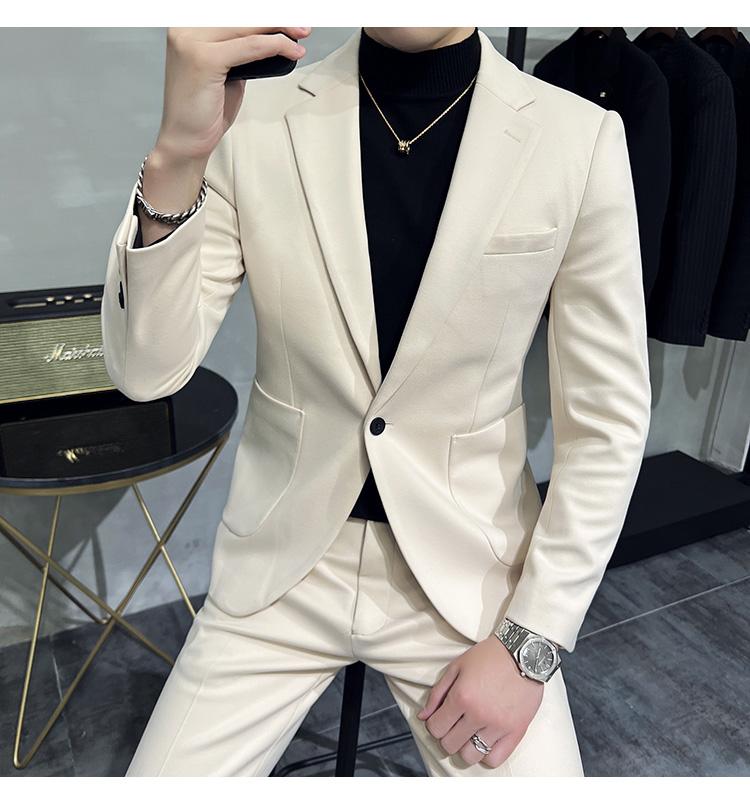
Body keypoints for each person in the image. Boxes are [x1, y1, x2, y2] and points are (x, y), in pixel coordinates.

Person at [101, 26, 651, 777]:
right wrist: (176, 155)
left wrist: (533, 641)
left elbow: (607, 421)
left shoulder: (577, 139)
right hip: (280, 568)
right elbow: (145, 372)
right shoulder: (253, 118)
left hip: (471, 589)